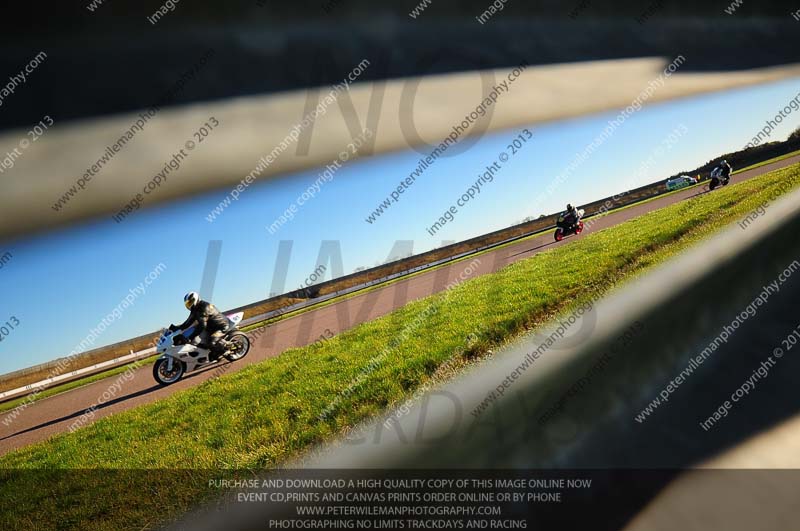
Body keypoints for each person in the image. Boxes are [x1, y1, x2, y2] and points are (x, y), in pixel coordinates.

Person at [170, 292, 231, 361]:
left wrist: (190, 337)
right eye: (188, 304)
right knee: (198, 341)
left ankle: (224, 351)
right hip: (211, 327)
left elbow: (202, 326)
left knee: (212, 342)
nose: (189, 305)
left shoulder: (203, 308)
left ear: (195, 299)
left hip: (220, 326)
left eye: (190, 302)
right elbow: (188, 322)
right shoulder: (195, 309)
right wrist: (176, 328)